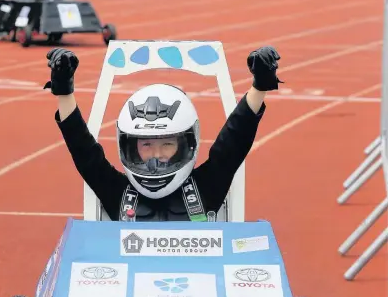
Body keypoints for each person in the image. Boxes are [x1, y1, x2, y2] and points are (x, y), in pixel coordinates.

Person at [44, 46, 283, 221]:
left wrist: (259, 87)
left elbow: (233, 142)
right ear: (129, 147)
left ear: (185, 145)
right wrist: (64, 91)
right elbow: (84, 152)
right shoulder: (117, 192)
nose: (156, 156)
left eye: (167, 144)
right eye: (146, 145)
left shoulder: (206, 187)